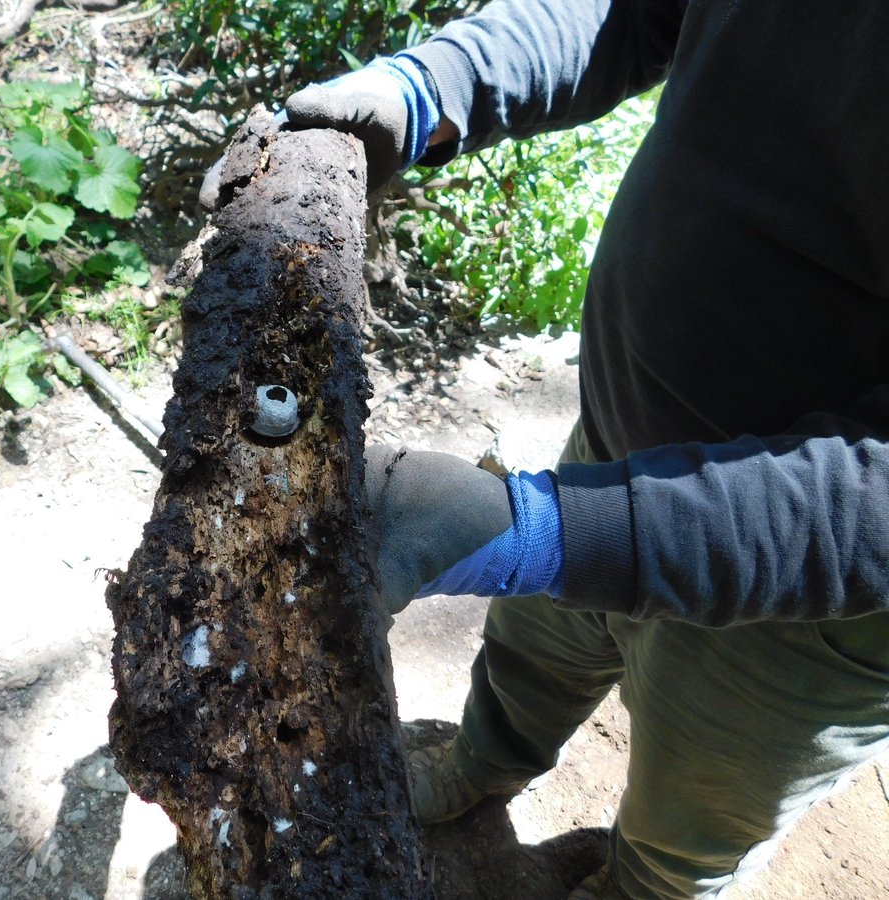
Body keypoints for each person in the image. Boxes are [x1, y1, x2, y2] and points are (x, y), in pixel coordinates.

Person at [265, 2, 889, 899]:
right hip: (617, 438)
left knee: (697, 817)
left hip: (810, 615)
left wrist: (544, 536)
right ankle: (483, 763)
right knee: (534, 651)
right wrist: (434, 85)